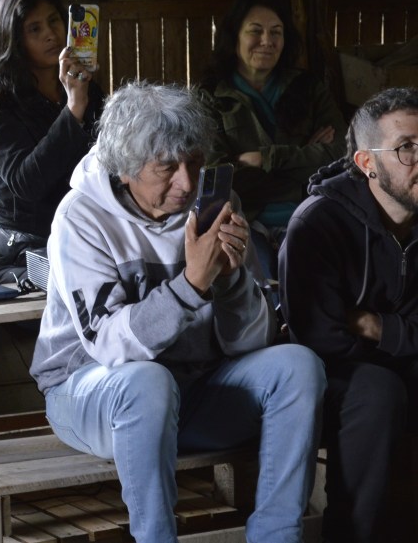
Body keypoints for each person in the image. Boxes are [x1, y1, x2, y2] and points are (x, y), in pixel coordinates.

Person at [30, 80, 325, 543]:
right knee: (148, 381)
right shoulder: (81, 217)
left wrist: (228, 282)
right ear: (125, 167)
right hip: (91, 396)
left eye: (195, 162)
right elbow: (110, 347)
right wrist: (191, 285)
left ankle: (277, 536)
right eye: (167, 167)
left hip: (194, 392)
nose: (187, 183)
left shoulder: (215, 206)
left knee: (297, 366)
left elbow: (249, 343)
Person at [280, 86, 418, 543]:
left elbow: (361, 326)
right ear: (366, 163)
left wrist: (377, 326)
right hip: (333, 377)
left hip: (398, 359)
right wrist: (401, 338)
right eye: (406, 148)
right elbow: (320, 339)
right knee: (379, 390)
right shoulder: (317, 223)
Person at [201, 0, 347, 277]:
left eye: (276, 32)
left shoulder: (309, 88)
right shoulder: (210, 96)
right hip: (241, 221)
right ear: (234, 37)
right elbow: (218, 178)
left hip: (306, 215)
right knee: (256, 285)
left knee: (310, 280)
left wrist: (264, 159)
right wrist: (305, 162)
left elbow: (342, 156)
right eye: (255, 31)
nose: (267, 41)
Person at [0, 0, 105, 284]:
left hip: (81, 232)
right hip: (22, 243)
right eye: (35, 29)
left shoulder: (86, 88)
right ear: (14, 40)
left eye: (54, 21)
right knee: (76, 278)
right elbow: (27, 183)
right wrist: (73, 108)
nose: (51, 34)